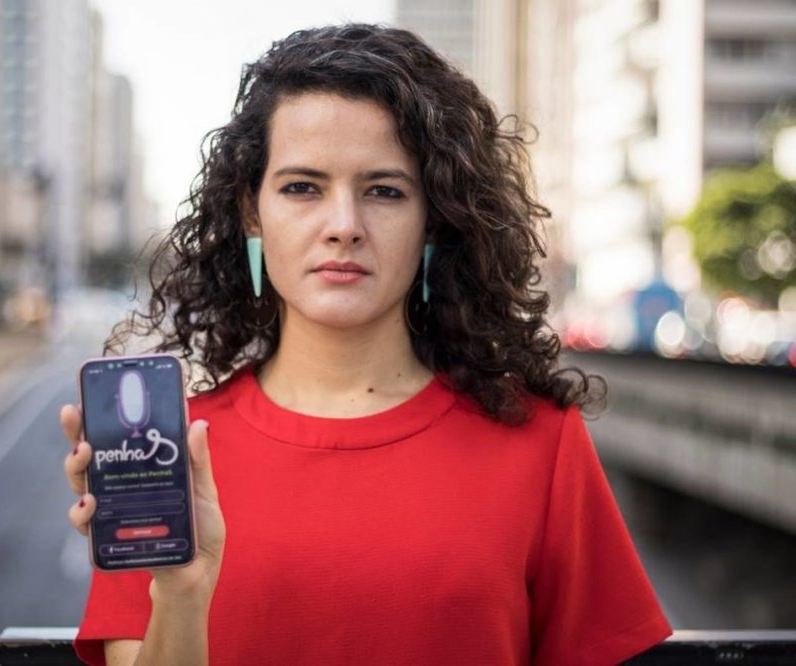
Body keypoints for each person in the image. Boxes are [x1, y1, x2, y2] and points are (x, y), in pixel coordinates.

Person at [59, 23, 672, 666]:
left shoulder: (541, 442)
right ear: (251, 212)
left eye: (384, 191)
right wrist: (182, 589)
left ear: (433, 216)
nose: (344, 227)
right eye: (302, 188)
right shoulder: (171, 459)